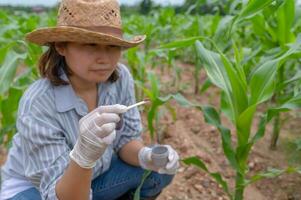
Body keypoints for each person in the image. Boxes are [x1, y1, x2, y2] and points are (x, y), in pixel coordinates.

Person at [0, 0, 180, 199]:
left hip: (94, 176)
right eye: (91, 44)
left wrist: (147, 157)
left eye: (112, 46)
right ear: (61, 46)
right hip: (41, 190)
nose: (104, 58)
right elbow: (62, 194)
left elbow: (126, 142)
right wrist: (83, 155)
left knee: (156, 174)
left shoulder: (120, 78)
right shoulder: (39, 103)